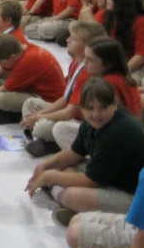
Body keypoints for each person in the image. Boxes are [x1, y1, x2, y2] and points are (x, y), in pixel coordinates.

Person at [26, 77, 144, 227]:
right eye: (89, 108)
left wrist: (50, 177)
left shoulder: (117, 132)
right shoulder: (93, 123)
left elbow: (90, 181)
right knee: (60, 168)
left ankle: (84, 211)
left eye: (102, 107)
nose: (96, 114)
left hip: (133, 195)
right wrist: (44, 166)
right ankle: (81, 210)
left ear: (115, 105)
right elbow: (75, 152)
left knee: (70, 195)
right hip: (113, 179)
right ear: (81, 108)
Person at [21, 21, 107, 157]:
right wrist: (40, 114)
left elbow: (69, 113)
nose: (67, 40)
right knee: (30, 104)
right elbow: (64, 98)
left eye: (74, 39)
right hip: (68, 112)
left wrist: (40, 116)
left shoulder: (87, 73)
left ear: (87, 46)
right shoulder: (75, 63)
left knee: (44, 126)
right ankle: (47, 141)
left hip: (80, 120)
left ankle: (53, 143)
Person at [0, 34, 66, 124]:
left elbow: (5, 89)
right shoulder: (24, 50)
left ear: (12, 57)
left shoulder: (29, 60)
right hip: (32, 89)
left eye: (3, 62)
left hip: (47, 100)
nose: (2, 65)